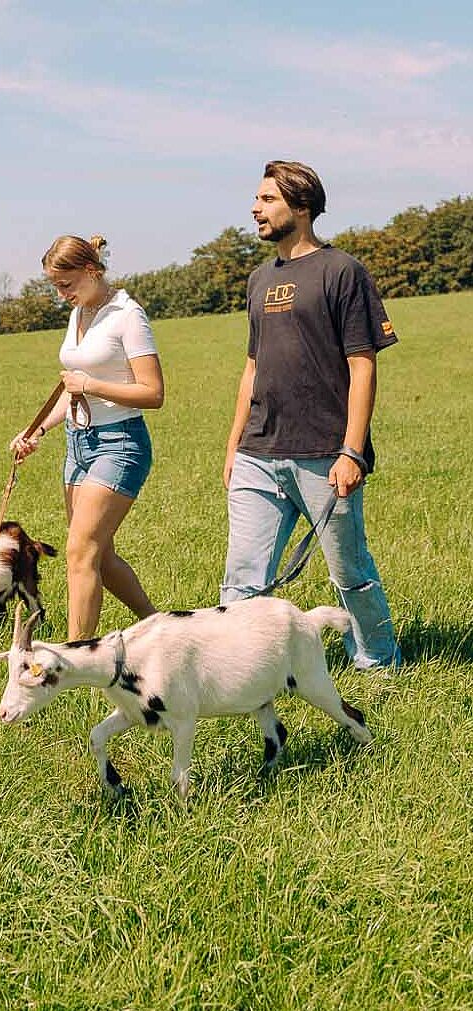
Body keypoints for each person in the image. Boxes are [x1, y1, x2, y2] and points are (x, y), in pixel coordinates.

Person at [221, 160, 401, 669]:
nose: (255, 208)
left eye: (267, 199)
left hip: (325, 452)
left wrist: (352, 449)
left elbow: (362, 365)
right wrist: (235, 444)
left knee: (349, 571)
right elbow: (252, 367)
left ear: (301, 206)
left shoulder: (342, 271)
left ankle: (377, 660)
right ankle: (243, 671)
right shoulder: (258, 279)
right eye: (256, 199)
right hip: (258, 452)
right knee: (243, 575)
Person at [10, 235, 165, 641]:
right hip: (79, 446)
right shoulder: (80, 311)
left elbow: (153, 393)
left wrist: (91, 384)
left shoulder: (128, 315)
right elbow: (70, 387)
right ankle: (158, 625)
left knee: (80, 554)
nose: (61, 295)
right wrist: (36, 430)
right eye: (55, 286)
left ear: (93, 271)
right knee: (100, 554)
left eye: (67, 285)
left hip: (120, 443)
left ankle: (75, 657)